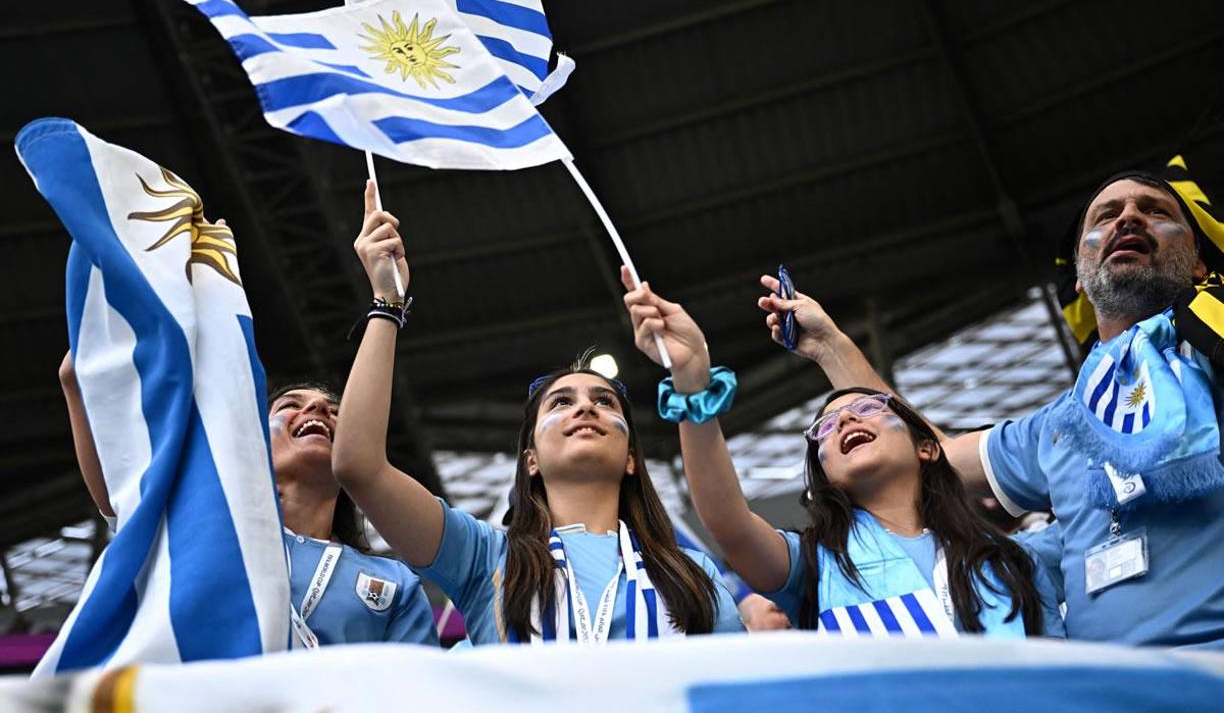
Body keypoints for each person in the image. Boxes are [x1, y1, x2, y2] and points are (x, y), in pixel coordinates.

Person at [759, 169, 1224, 647]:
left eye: (1155, 211)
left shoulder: (1215, 357)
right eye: (1106, 216)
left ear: (1199, 267)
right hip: (1102, 694)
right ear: (1081, 280)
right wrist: (829, 346)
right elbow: (931, 451)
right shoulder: (1058, 426)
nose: (1128, 217)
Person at [331, 182, 744, 645]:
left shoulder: (692, 573)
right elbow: (358, 466)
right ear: (531, 459)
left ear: (631, 456)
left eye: (604, 402)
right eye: (561, 402)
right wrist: (387, 304)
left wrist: (691, 374)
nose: (586, 405)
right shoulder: (485, 557)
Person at [58, 222, 439, 649]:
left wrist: (389, 301)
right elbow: (78, 375)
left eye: (335, 413)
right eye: (290, 405)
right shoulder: (194, 527)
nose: (317, 409)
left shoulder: (395, 584)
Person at [622, 272, 1063, 637]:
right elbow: (729, 524)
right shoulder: (814, 565)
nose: (847, 421)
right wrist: (692, 379)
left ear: (927, 447)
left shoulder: (1020, 557)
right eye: (826, 428)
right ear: (825, 473)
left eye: (869, 408)